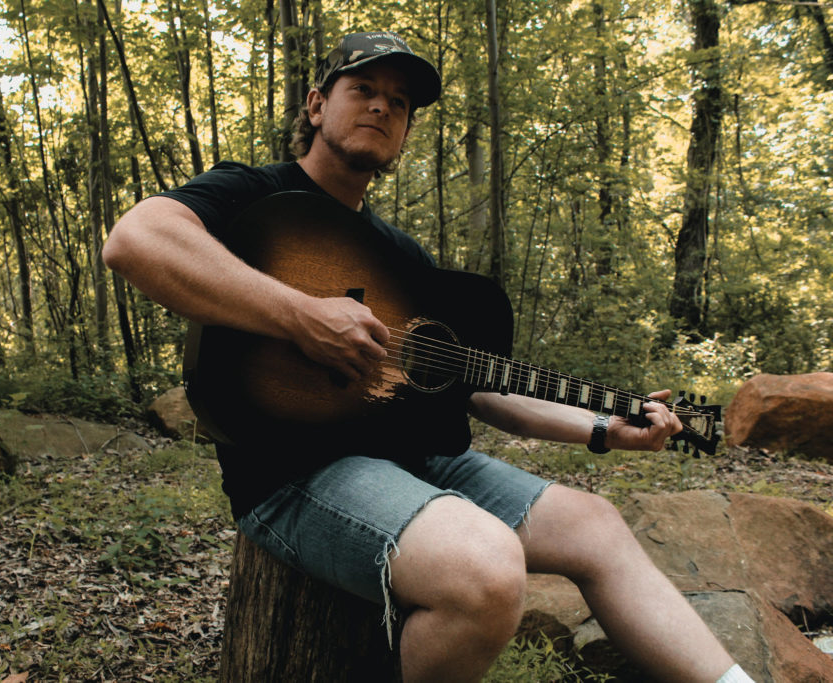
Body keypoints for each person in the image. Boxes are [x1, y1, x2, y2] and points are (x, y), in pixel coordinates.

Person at [103, 30, 754, 683]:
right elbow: (135, 241)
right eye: (364, 89)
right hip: (294, 472)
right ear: (315, 104)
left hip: (417, 458)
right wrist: (301, 315)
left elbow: (475, 387)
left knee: (597, 524)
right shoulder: (253, 192)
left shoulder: (403, 258)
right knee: (486, 569)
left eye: (401, 102)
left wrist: (599, 427)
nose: (383, 108)